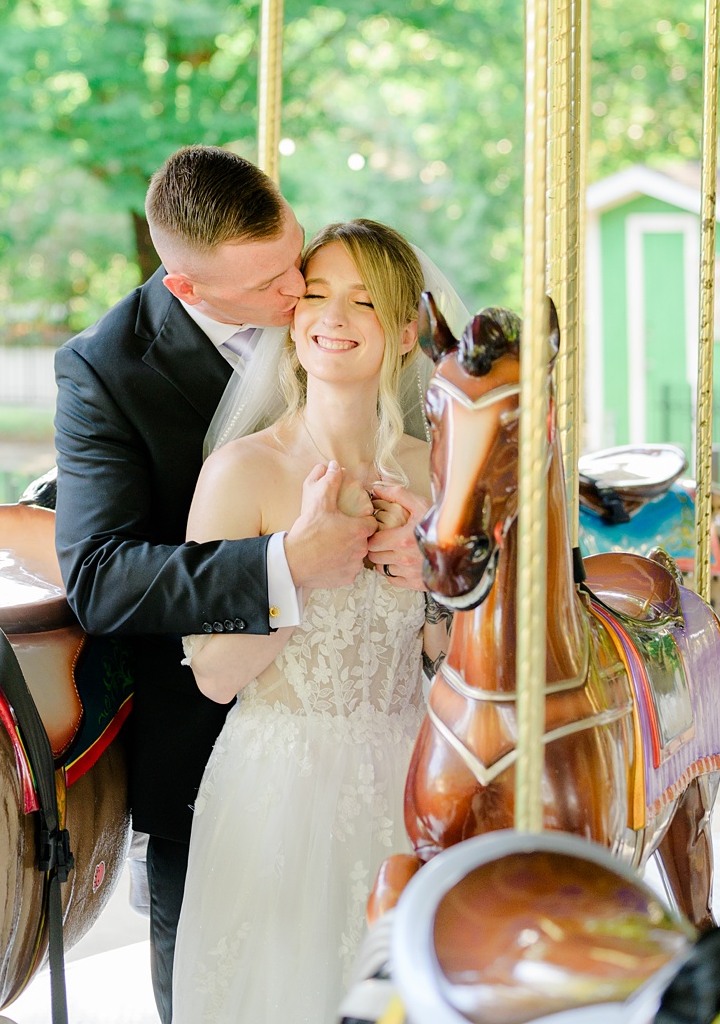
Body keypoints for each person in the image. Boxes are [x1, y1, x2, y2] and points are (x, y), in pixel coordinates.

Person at [54, 148, 423, 1022]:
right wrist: (284, 566)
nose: (301, 291)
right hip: (236, 757)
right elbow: (101, 577)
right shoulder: (109, 370)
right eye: (272, 283)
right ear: (189, 288)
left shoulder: (338, 294)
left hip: (398, 764)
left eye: (295, 251)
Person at [168, 220, 444, 1023]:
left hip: (407, 776)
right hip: (277, 785)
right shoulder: (243, 470)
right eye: (315, 294)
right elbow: (215, 677)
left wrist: (433, 583)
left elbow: (451, 655)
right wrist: (293, 568)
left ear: (401, 333)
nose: (333, 315)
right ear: (291, 321)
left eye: (364, 301)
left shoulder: (433, 473)